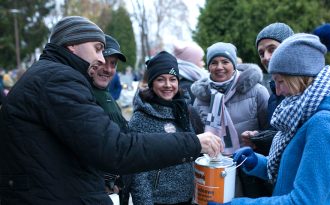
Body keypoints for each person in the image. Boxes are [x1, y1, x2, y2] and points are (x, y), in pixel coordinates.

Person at [0, 16, 222, 205]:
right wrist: (193, 142)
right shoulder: (58, 79)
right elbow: (115, 149)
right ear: (72, 45)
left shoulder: (52, 76)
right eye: (97, 48)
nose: (100, 58)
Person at [225, 33, 330, 204]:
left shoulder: (325, 124)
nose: (278, 91)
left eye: (280, 81)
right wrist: (256, 163)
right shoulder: (306, 112)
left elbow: (303, 201)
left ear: (298, 78)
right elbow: (294, 171)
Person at [191, 42, 269, 197]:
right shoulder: (200, 100)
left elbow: (270, 131)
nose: (219, 67)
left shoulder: (257, 91)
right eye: (214, 62)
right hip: (216, 171)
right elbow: (199, 137)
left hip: (250, 169)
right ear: (208, 67)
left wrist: (257, 137)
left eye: (225, 62)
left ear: (234, 65)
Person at [128, 51, 199, 205]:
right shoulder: (140, 118)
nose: (168, 85)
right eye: (161, 79)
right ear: (152, 83)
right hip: (159, 200)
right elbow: (138, 173)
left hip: (188, 197)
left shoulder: (183, 110)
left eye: (172, 79)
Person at [87, 34, 130, 205]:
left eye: (113, 64)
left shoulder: (106, 95)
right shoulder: (83, 94)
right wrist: (107, 181)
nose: (109, 69)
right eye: (104, 61)